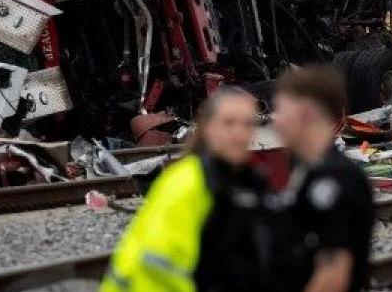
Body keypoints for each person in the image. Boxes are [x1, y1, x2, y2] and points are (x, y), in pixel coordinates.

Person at [101, 88, 270, 292]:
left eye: (248, 124)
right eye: (228, 123)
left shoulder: (247, 181)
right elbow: (160, 269)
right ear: (207, 128)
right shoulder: (186, 182)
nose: (239, 133)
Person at [270, 65, 375, 292]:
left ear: (306, 113)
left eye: (281, 110)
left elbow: (333, 276)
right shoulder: (307, 169)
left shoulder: (334, 178)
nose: (275, 120)